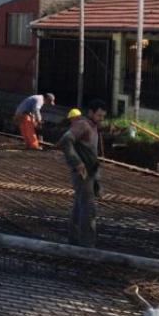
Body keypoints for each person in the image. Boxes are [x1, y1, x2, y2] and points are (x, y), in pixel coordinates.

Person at [58, 99, 107, 248]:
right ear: (91, 112)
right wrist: (77, 162)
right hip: (82, 173)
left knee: (80, 206)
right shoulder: (83, 125)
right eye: (99, 115)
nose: (101, 119)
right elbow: (65, 140)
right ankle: (87, 244)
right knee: (88, 208)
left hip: (90, 173)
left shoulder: (93, 126)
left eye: (103, 116)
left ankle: (74, 239)